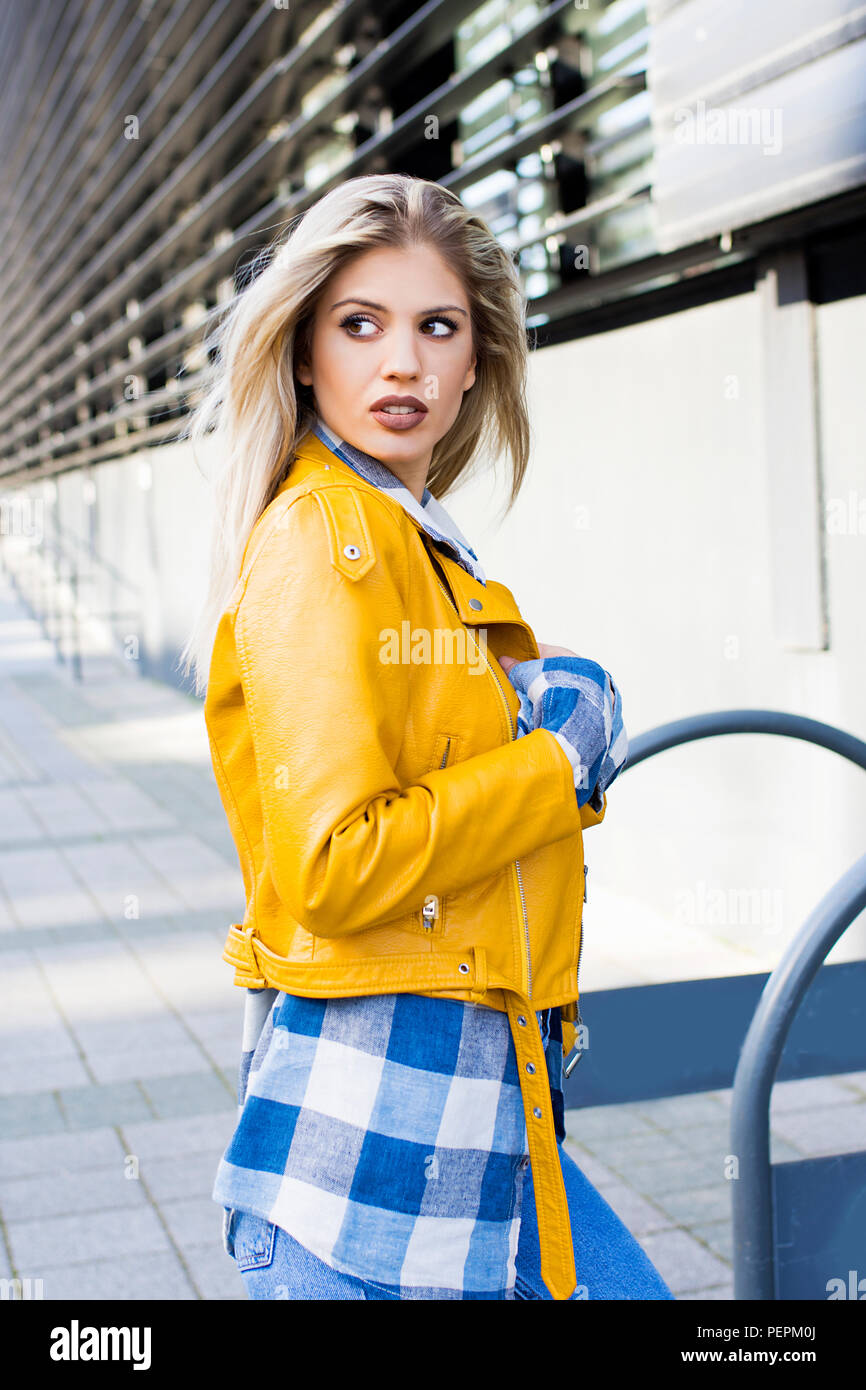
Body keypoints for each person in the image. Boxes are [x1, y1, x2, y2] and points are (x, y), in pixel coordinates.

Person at [180, 172, 674, 1301]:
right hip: (358, 1180)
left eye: (435, 327)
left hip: (483, 1138)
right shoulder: (324, 537)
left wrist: (534, 706)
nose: (400, 363)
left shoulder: (413, 541)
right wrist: (553, 761)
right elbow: (333, 861)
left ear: (472, 361)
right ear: (305, 351)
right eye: (360, 325)